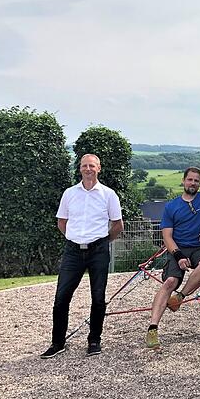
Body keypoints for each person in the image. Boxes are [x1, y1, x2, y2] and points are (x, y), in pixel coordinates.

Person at [40, 154, 124, 359]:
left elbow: (117, 225)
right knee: (61, 297)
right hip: (73, 251)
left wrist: (102, 242)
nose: (88, 169)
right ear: (79, 169)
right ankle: (57, 342)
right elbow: (62, 222)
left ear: (99, 168)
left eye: (92, 166)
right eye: (84, 166)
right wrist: (75, 238)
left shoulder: (108, 194)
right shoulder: (69, 194)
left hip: (98, 250)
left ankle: (94, 340)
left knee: (98, 297)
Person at [145, 167, 200, 349]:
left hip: (199, 248)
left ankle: (180, 297)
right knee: (169, 282)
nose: (193, 183)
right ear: (183, 181)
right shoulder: (171, 206)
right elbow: (167, 236)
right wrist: (178, 255)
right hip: (178, 249)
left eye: (196, 180)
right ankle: (152, 328)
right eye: (190, 180)